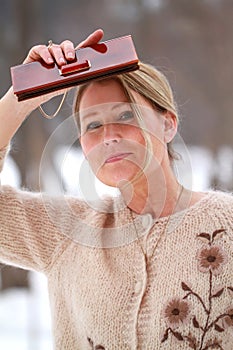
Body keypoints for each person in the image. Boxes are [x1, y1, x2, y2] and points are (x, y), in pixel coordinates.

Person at [0, 29, 232, 350]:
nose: (108, 135)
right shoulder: (65, 235)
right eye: (92, 125)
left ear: (168, 124)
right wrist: (20, 99)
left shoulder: (228, 226)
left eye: (125, 115)